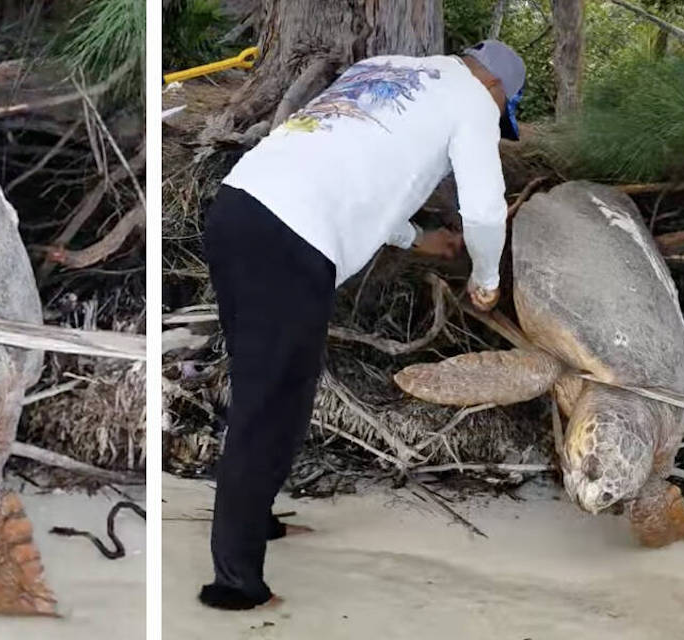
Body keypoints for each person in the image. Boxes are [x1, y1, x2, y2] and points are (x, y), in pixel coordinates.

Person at [198, 40, 527, 610]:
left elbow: (356, 174)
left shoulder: (384, 67)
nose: (494, 119)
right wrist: (486, 278)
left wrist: (418, 238)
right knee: (268, 403)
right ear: (497, 89)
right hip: (291, 238)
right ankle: (235, 585)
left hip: (239, 206)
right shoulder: (473, 101)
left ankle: (257, 521)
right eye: (503, 114)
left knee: (282, 389)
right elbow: (483, 210)